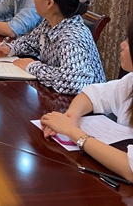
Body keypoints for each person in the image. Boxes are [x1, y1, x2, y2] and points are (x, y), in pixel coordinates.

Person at [40, 19, 133, 182]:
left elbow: (130, 169)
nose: (122, 44)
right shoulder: (130, 81)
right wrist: (72, 117)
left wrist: (73, 132)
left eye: (129, 41)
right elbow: (93, 94)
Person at [0, 0, 106, 95]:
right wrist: (10, 48)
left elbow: (73, 82)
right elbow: (30, 43)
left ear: (49, 3)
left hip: (87, 103)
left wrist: (33, 67)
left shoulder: (72, 36)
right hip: (58, 95)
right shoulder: (49, 22)